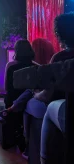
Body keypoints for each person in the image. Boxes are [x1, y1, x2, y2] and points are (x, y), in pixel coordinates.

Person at [0, 38, 55, 159]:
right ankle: (22, 138)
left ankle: (9, 116)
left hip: (11, 99)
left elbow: (6, 87)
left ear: (17, 51)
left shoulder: (10, 65)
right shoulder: (37, 67)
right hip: (29, 100)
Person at [40, 13, 74, 164]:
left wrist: (35, 96)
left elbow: (48, 95)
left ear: (59, 34)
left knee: (49, 109)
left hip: (68, 110)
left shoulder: (60, 58)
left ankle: (44, 158)